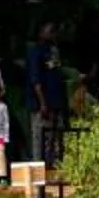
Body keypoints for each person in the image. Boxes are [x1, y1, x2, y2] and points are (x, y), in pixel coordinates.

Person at [25, 22, 69, 160]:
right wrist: (42, 103)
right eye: (49, 30)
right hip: (42, 104)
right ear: (40, 32)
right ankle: (39, 169)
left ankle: (55, 168)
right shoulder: (35, 51)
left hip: (57, 102)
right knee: (40, 138)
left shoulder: (54, 51)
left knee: (56, 139)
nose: (53, 33)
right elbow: (35, 79)